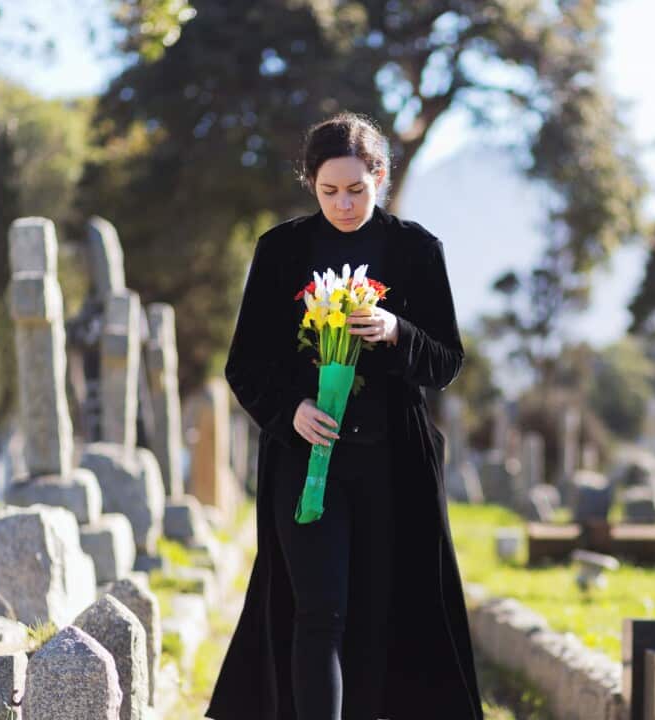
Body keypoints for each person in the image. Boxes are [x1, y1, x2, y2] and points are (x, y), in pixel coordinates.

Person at [206, 112, 484, 720]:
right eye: (329, 191)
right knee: (318, 612)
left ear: (380, 176)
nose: (344, 204)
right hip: (305, 464)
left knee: (383, 616)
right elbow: (244, 365)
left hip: (394, 467)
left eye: (357, 189)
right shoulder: (280, 251)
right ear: (310, 183)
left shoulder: (416, 250)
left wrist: (396, 329)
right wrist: (292, 412)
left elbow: (447, 362)